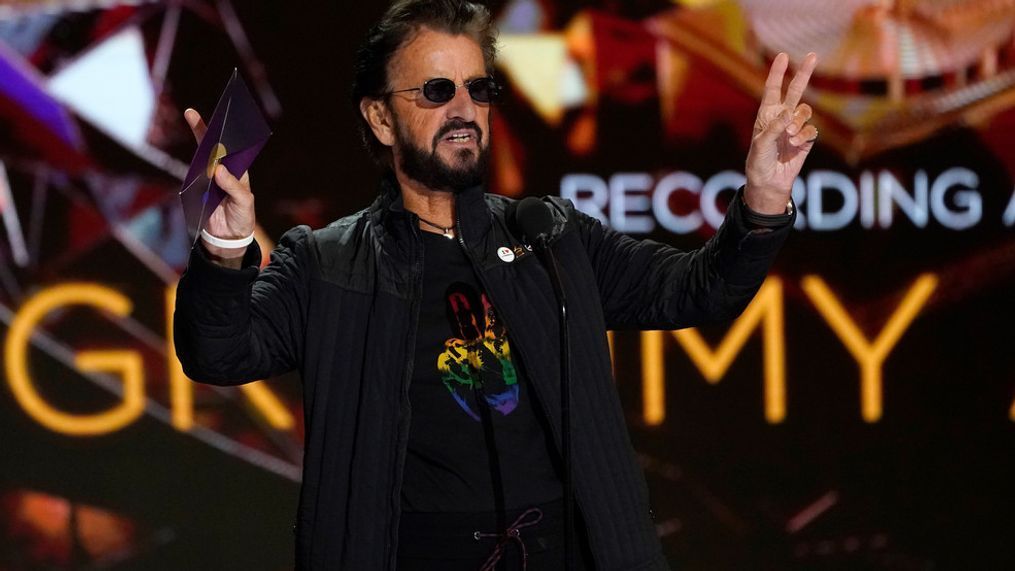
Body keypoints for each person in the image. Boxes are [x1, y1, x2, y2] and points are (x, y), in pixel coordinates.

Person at [173, 0, 818, 569]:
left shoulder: (552, 238)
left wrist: (762, 200)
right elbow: (218, 353)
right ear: (378, 118)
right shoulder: (327, 263)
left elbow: (699, 289)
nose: (464, 110)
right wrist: (227, 245)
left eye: (478, 89)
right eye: (435, 90)